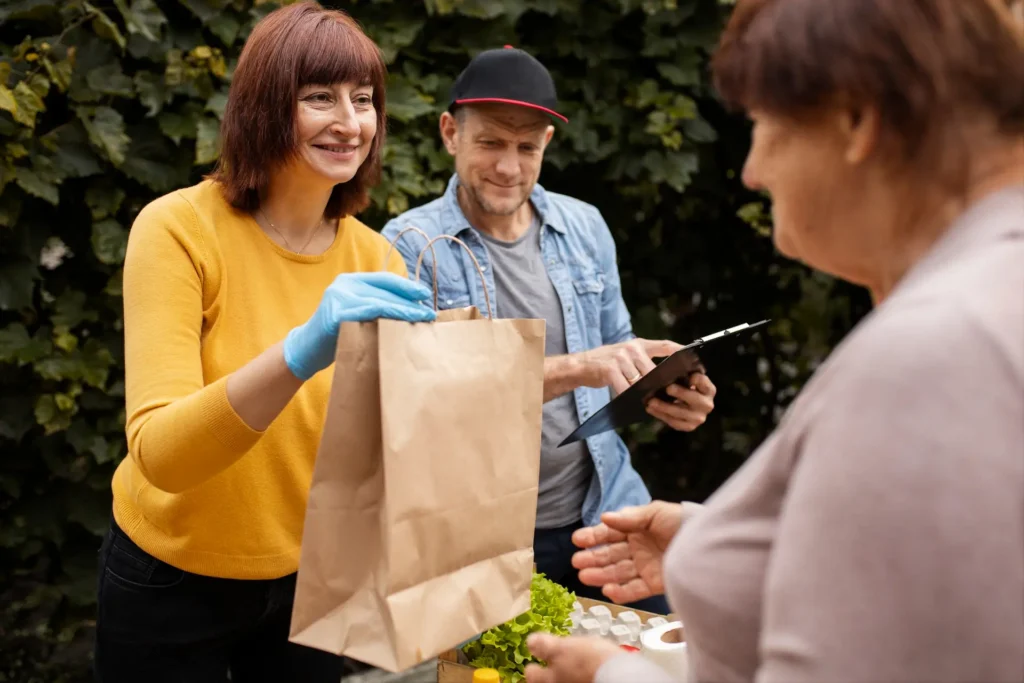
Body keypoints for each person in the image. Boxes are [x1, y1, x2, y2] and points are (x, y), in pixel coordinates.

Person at [524, 0, 1024, 681]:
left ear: (856, 120)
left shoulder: (932, 351)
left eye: (763, 125)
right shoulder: (991, 290)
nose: (751, 170)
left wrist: (612, 674)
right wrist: (727, 547)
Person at [92, 3, 437, 681]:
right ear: (264, 107)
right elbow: (161, 455)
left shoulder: (378, 261)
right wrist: (299, 351)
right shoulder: (176, 230)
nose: (349, 121)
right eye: (319, 97)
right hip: (169, 581)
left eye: (363, 99)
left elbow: (400, 432)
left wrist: (583, 376)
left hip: (311, 582)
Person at [381, 47, 717, 613]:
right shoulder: (410, 247)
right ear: (449, 133)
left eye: (526, 147)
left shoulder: (584, 226)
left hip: (606, 514)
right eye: (490, 142)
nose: (509, 167)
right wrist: (585, 365)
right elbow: (430, 398)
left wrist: (666, 391)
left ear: (546, 146)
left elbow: (619, 351)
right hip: (480, 542)